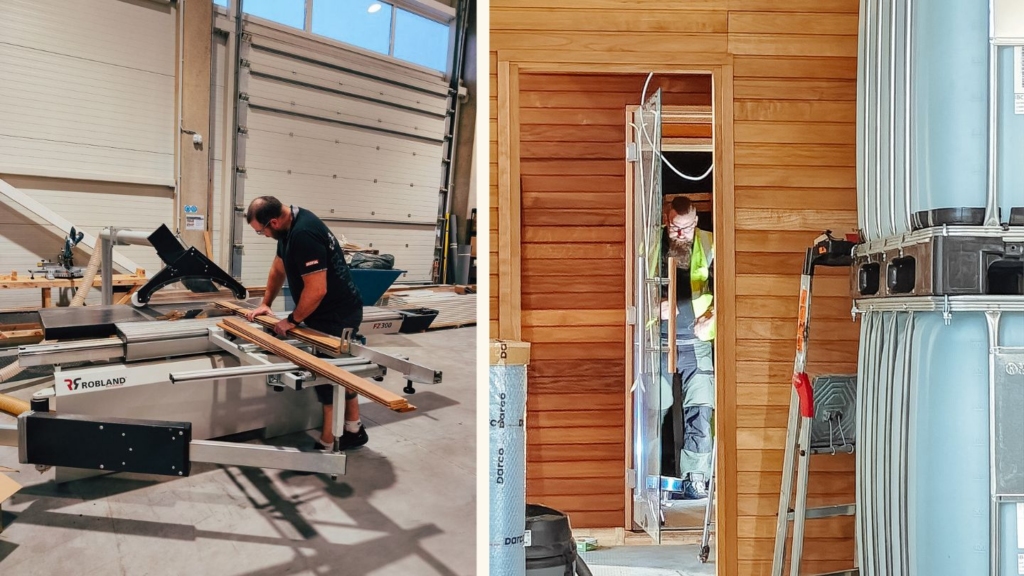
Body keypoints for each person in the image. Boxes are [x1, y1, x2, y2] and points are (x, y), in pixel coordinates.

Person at [243, 196, 368, 451]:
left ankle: (327, 442)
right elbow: (278, 268)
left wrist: (291, 320)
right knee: (340, 372)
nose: (263, 235)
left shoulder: (304, 235)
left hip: (337, 314)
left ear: (274, 222)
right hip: (324, 311)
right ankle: (354, 429)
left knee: (327, 377)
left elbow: (317, 290)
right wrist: (266, 303)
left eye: (261, 231)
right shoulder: (288, 229)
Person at [659, 196, 715, 499]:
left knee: (701, 412)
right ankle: (652, 481)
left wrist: (712, 316)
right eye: (676, 229)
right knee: (653, 409)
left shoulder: (710, 244)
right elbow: (632, 290)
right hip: (658, 345)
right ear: (667, 221)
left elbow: (729, 291)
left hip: (697, 345)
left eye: (688, 228)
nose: (682, 235)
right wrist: (655, 308)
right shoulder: (650, 243)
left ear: (696, 222)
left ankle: (696, 478)